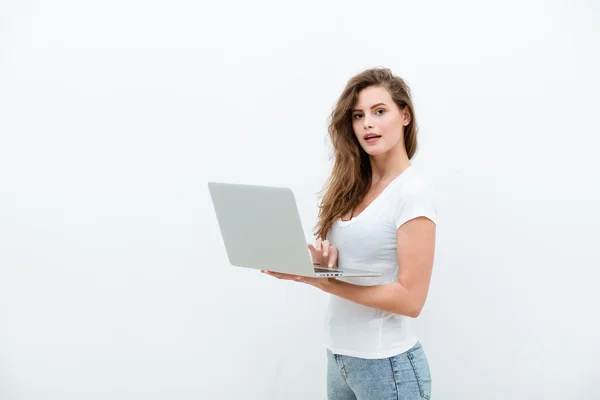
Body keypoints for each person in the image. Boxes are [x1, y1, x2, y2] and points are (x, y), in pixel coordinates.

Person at [262, 67, 437, 400]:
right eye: (358, 115)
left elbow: (411, 300)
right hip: (339, 357)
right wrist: (318, 266)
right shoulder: (352, 188)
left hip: (388, 366)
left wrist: (323, 282)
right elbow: (362, 266)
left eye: (379, 111)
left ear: (405, 116)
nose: (367, 123)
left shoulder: (412, 193)